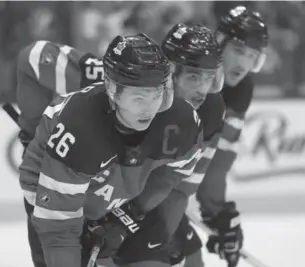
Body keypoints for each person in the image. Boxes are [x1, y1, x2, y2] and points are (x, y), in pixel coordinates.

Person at [18, 33, 204, 267]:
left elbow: (175, 172)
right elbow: (59, 228)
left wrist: (130, 216)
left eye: (157, 94)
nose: (149, 109)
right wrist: (31, 127)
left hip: (120, 197)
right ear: (112, 89)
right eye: (138, 98)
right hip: (53, 198)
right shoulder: (79, 129)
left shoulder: (181, 122)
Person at [90, 23, 226, 267]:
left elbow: (180, 188)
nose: (202, 90)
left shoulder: (212, 111)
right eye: (194, 76)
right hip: (106, 208)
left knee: (193, 259)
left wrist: (165, 230)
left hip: (151, 206)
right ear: (170, 73)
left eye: (209, 78)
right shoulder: (134, 101)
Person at [171, 6, 269, 267]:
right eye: (239, 51)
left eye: (253, 56)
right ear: (220, 43)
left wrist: (218, 214)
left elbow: (219, 157)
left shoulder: (241, 90)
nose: (244, 64)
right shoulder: (188, 68)